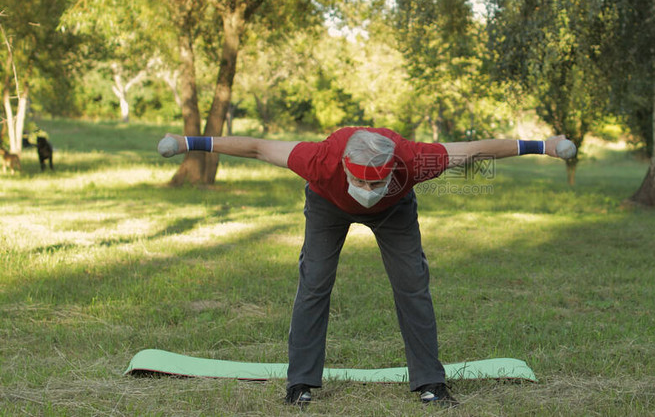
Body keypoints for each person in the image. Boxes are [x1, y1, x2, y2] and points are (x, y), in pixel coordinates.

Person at [158, 127, 570, 408]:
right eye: (364, 182)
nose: (369, 190)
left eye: (378, 182)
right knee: (315, 282)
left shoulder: (416, 160)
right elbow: (255, 147)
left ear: (391, 170)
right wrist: (188, 141)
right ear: (347, 169)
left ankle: (431, 384)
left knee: (412, 285)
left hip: (396, 212)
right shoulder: (320, 160)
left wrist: (542, 147)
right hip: (327, 205)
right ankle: (300, 384)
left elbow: (480, 149)